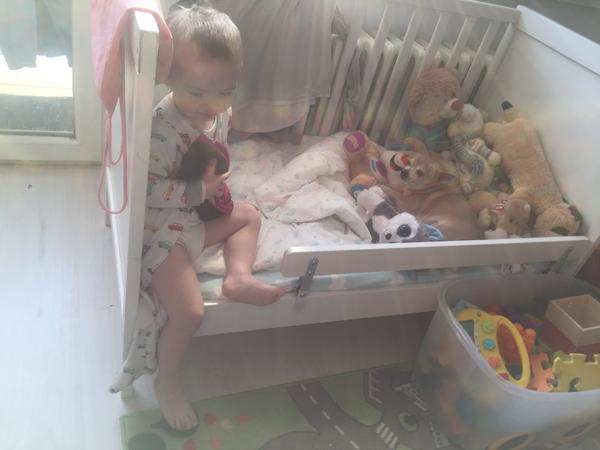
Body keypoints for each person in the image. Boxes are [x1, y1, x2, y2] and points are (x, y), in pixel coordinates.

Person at [142, 3, 284, 431]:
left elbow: (213, 156)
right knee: (189, 312)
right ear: (168, 78)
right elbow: (147, 192)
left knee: (250, 215)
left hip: (195, 219)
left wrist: (216, 188)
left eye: (224, 91)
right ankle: (167, 383)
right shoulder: (160, 129)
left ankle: (237, 277)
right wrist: (197, 192)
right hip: (163, 232)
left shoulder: (218, 114)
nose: (212, 105)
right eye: (197, 92)